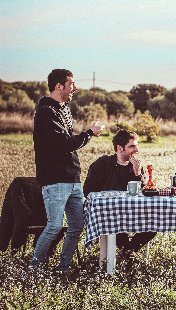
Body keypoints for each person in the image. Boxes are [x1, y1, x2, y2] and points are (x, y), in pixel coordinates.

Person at [29, 69, 104, 273]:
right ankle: (33, 267)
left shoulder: (64, 109)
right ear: (59, 86)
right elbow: (64, 144)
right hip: (55, 179)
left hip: (72, 177)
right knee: (54, 226)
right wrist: (90, 133)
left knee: (77, 227)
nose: (75, 88)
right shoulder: (45, 112)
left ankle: (64, 266)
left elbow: (69, 143)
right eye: (71, 83)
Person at [83, 129, 157, 260]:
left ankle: (127, 252)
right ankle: (127, 254)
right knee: (115, 223)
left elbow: (143, 193)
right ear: (119, 148)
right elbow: (88, 190)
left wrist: (137, 174)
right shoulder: (102, 164)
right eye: (132, 146)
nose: (136, 150)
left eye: (136, 145)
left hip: (134, 212)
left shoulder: (138, 167)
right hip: (109, 213)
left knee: (154, 223)